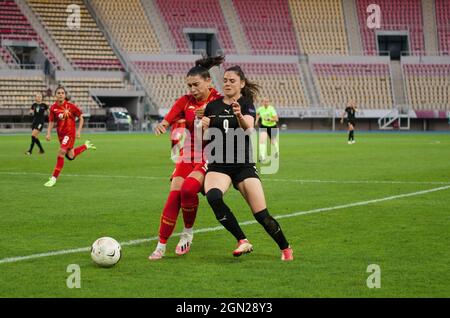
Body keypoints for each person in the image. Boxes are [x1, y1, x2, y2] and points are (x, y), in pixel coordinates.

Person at [201, 65, 294, 261]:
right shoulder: (212, 106)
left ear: (242, 84)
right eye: (225, 80)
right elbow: (206, 138)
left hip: (243, 164)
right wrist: (203, 126)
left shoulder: (246, 103)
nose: (227, 83)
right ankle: (242, 240)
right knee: (214, 197)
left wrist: (239, 115)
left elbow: (249, 128)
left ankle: (285, 248)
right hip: (218, 165)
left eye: (232, 80)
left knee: (262, 215)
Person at [149, 56, 224, 260]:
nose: (192, 89)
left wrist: (210, 117)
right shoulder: (186, 101)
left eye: (196, 85)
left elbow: (228, 126)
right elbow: (171, 115)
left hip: (212, 155)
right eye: (189, 85)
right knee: (174, 195)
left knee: (188, 189)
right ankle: (161, 245)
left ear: (208, 81)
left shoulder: (219, 100)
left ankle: (187, 232)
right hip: (189, 153)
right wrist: (163, 124)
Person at [44, 86, 96, 187]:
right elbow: (51, 121)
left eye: (62, 93)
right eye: (58, 93)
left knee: (62, 151)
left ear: (65, 95)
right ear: (55, 95)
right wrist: (48, 133)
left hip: (69, 134)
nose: (60, 94)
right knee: (70, 156)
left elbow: (81, 118)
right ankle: (86, 146)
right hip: (61, 135)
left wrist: (79, 131)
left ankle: (54, 178)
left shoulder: (71, 106)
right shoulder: (53, 108)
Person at [255, 97, 279, 162]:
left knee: (272, 141)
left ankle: (276, 151)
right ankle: (262, 157)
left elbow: (276, 119)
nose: (266, 103)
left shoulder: (272, 109)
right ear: (262, 102)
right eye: (264, 101)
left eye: (267, 101)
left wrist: (270, 119)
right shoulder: (260, 109)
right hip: (263, 126)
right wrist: (256, 121)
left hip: (272, 126)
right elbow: (257, 114)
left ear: (269, 102)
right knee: (262, 140)